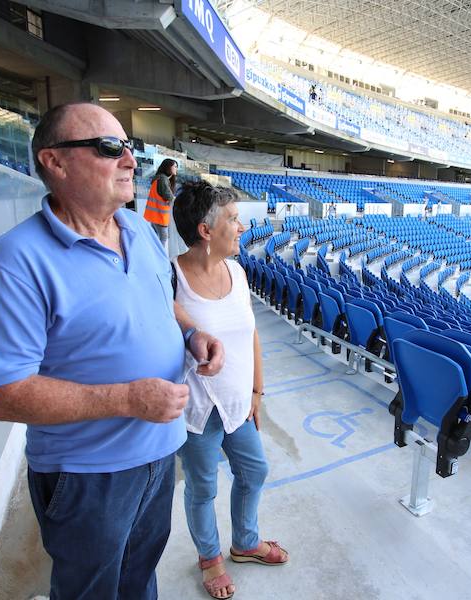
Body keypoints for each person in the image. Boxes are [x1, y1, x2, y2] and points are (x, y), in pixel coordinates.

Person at [0, 103, 225, 600]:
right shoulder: (15, 262)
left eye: (128, 147)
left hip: (159, 454)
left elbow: (162, 301)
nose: (130, 160)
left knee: (138, 580)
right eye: (110, 148)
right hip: (88, 477)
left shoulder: (138, 232)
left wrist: (192, 333)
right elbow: (3, 394)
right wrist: (127, 400)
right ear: (56, 162)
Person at [172, 181, 289, 600]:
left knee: (254, 471)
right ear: (206, 231)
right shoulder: (172, 280)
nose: (242, 227)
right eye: (234, 219)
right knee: (203, 488)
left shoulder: (237, 272)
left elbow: (252, 334)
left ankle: (244, 543)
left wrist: (257, 392)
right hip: (199, 413)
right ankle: (210, 559)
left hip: (240, 405)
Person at [145, 158, 178, 251]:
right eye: (174, 166)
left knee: (156, 238)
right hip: (160, 216)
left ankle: (153, 255)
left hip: (153, 215)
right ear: (168, 167)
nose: (176, 169)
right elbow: (169, 196)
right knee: (163, 238)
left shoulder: (158, 178)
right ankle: (160, 257)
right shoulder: (163, 179)